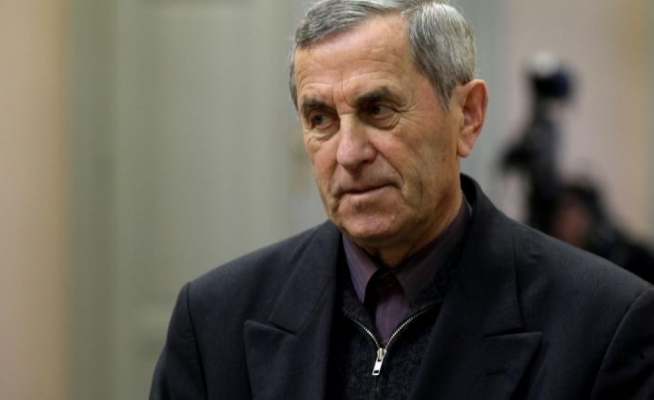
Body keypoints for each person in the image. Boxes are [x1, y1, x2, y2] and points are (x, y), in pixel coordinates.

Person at [149, 1, 654, 399]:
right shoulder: (214, 321)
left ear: (468, 116)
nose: (348, 153)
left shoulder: (604, 325)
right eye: (321, 119)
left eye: (379, 109)